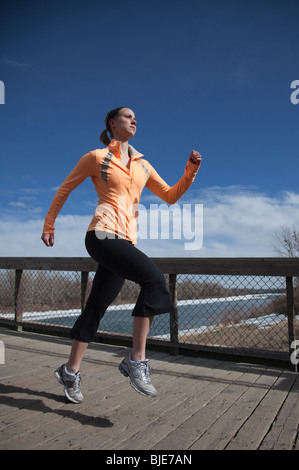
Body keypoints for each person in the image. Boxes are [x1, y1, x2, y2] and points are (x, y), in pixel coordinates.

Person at [41, 107, 202, 403]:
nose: (134, 120)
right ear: (112, 124)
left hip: (125, 241)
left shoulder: (143, 165)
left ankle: (70, 370)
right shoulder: (96, 157)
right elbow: (65, 188)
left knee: (96, 307)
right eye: (127, 116)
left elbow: (169, 195)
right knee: (154, 280)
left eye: (136, 117)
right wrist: (49, 224)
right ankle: (136, 360)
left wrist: (190, 171)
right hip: (101, 235)